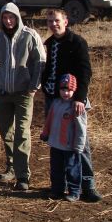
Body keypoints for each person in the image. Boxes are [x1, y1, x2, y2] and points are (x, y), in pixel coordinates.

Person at [41, 8, 102, 202]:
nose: (53, 24)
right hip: (54, 99)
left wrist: (80, 98)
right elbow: (48, 68)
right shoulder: (49, 43)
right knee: (57, 143)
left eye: (57, 20)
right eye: (50, 21)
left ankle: (87, 185)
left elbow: (85, 72)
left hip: (73, 100)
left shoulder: (77, 43)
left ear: (65, 21)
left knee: (79, 143)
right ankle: (60, 186)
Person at [0, 2, 46, 191]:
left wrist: (34, 85)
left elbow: (40, 61)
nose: (8, 21)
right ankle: (11, 166)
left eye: (11, 17)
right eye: (5, 17)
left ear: (17, 18)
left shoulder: (30, 35)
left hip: (23, 93)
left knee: (22, 132)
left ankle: (23, 176)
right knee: (6, 131)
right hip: (3, 93)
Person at [40, 74, 86, 202]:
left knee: (73, 169)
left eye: (69, 90)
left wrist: (79, 145)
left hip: (70, 146)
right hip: (55, 144)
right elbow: (49, 120)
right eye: (63, 89)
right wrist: (45, 133)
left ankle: (74, 191)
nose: (65, 93)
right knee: (56, 169)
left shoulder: (76, 107)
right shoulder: (56, 103)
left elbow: (81, 129)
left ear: (74, 90)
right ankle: (57, 189)